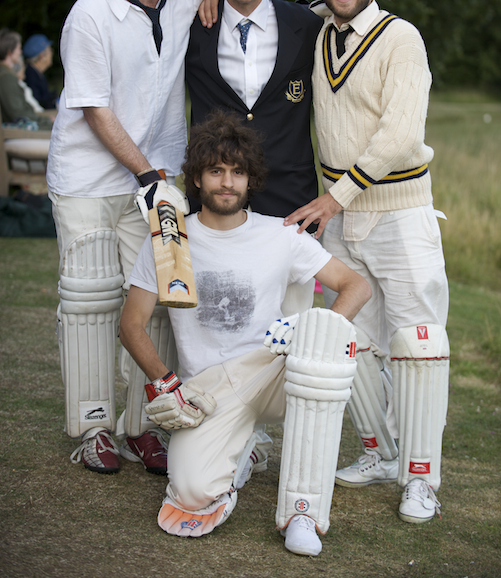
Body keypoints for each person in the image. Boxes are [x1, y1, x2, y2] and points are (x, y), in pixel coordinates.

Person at [119, 111, 371, 555]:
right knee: (192, 495)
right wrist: (166, 382)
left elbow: (357, 285)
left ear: (251, 180)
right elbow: (132, 323)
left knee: (319, 349)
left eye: (237, 172)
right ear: (196, 177)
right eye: (216, 171)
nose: (227, 182)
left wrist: (318, 328)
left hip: (275, 371)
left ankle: (302, 513)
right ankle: (244, 453)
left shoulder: (280, 235)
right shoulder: (169, 241)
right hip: (208, 390)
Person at [284, 0, 450, 524]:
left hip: (398, 212)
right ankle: (379, 453)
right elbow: (261, 14)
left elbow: (401, 134)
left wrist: (337, 197)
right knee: (354, 339)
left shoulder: (400, 37)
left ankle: (422, 477)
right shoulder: (319, 26)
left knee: (416, 343)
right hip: (341, 218)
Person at [46, 0, 213, 475]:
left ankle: (145, 426)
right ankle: (93, 429)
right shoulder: (91, 13)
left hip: (157, 178)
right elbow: (94, 107)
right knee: (91, 304)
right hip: (92, 180)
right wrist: (146, 173)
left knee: (163, 301)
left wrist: (323, 9)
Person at [186, 0, 323, 315]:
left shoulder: (306, 24)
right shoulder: (192, 25)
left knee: (294, 316)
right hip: (216, 194)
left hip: (289, 197)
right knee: (219, 311)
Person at [0, 28, 53, 130]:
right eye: (18, 48)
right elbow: (17, 113)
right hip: (21, 130)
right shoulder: (6, 77)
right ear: (9, 52)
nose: (21, 52)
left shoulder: (6, 75)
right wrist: (45, 121)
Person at [22, 34, 59, 109]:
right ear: (42, 56)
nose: (52, 53)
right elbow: (39, 103)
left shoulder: (36, 73)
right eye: (50, 50)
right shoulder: (31, 75)